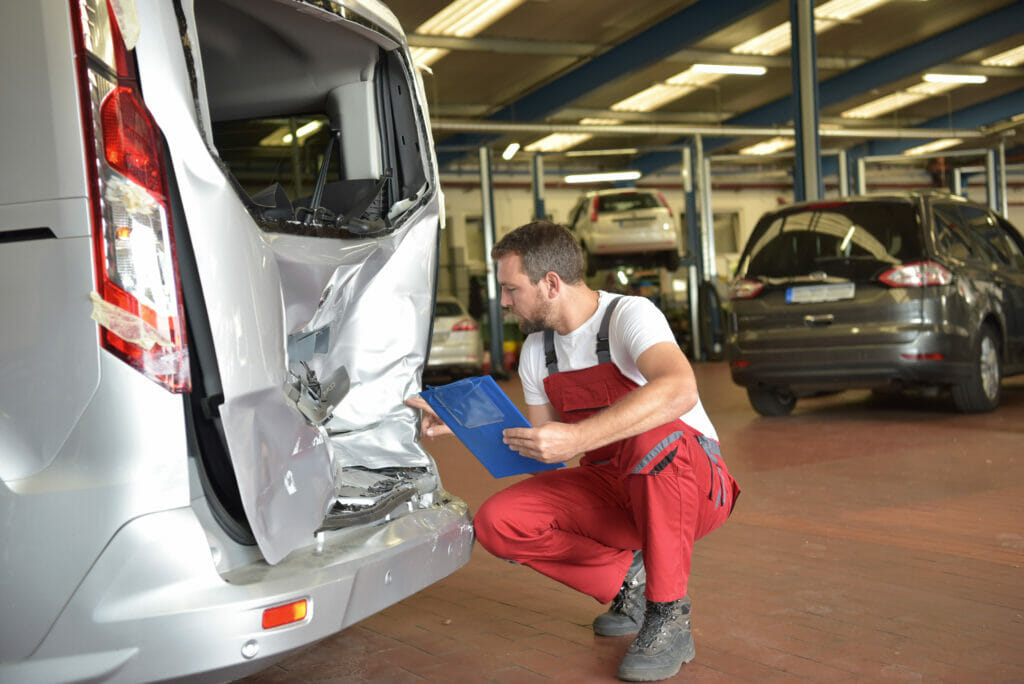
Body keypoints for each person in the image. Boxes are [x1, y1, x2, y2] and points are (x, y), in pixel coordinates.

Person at [407, 220, 739, 682]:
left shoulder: (629, 316)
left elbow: (680, 389)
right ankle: (634, 581)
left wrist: (580, 438)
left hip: (694, 485)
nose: (503, 302)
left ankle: (669, 617)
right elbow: (544, 454)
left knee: (651, 434)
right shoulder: (536, 353)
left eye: (510, 289)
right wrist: (465, 422)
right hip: (615, 490)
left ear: (550, 284)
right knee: (497, 522)